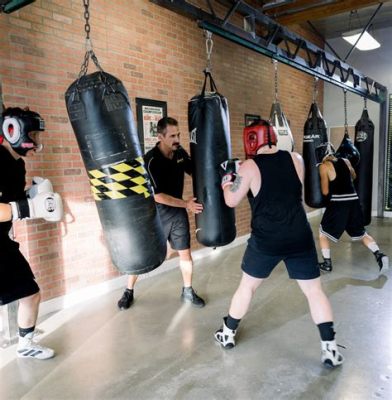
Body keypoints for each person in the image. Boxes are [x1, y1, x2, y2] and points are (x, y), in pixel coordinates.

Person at [214, 120, 344, 367]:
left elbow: (231, 200)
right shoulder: (296, 158)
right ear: (273, 136)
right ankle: (330, 348)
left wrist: (227, 179)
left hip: (267, 239)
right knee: (314, 291)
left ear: (250, 140)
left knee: (248, 287)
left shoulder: (249, 167)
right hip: (299, 235)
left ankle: (227, 333)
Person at [117, 117, 205, 309]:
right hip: (155, 215)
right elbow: (157, 196)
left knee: (185, 255)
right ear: (160, 136)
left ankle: (188, 291)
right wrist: (186, 204)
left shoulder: (179, 153)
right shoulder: (150, 161)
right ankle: (128, 291)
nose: (177, 139)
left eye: (179, 135)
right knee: (142, 254)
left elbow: (195, 171)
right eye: (173, 136)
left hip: (178, 213)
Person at [0, 107, 63, 359]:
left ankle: (25, 344)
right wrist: (27, 207)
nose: (36, 142)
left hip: (2, 242)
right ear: (13, 130)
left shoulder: (17, 165)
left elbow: (12, 204)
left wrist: (33, 198)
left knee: (30, 292)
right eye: (33, 134)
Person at [317, 144, 389, 274]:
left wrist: (325, 179)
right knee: (362, 233)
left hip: (339, 203)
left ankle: (327, 264)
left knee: (322, 233)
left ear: (321, 156)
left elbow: (325, 191)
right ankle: (379, 255)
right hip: (354, 202)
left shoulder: (324, 166)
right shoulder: (346, 161)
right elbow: (354, 176)